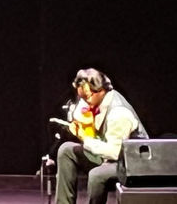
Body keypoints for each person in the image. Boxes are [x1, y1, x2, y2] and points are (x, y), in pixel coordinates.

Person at [55, 68, 148, 204]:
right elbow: (81, 111)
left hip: (130, 163)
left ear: (100, 90)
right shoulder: (94, 100)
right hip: (110, 157)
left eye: (86, 97)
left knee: (97, 175)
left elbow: (115, 152)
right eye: (81, 97)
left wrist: (86, 139)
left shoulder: (118, 113)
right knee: (66, 150)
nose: (84, 102)